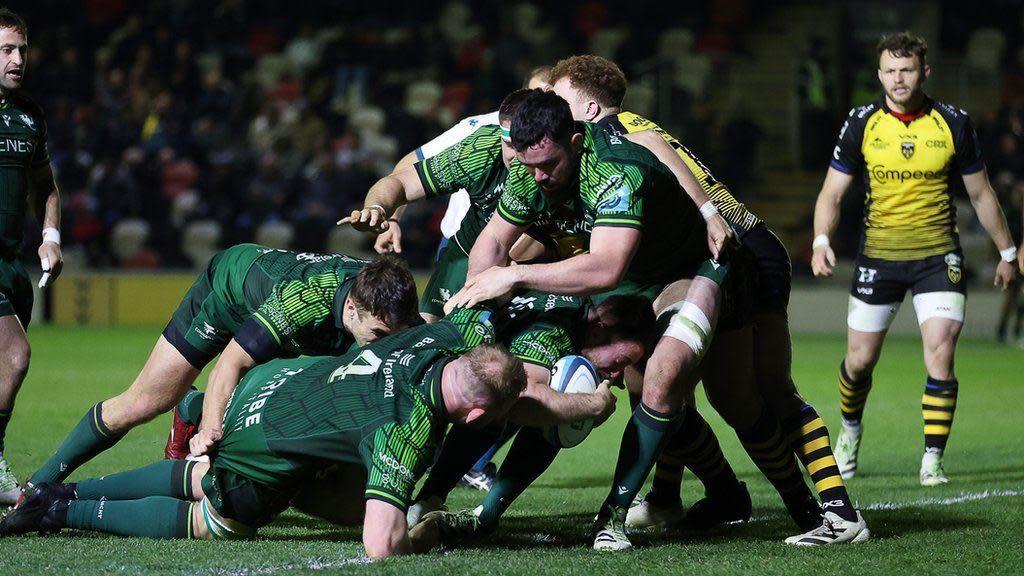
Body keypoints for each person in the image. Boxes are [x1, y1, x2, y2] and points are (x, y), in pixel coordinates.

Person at [547, 55, 866, 545]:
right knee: (662, 385)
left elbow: (668, 168)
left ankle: (837, 511)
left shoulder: (621, 136)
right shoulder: (593, 144)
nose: (550, 108)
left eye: (558, 97)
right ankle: (672, 496)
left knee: (759, 393)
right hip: (696, 255)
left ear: (588, 108)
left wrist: (709, 212)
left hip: (741, 246)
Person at [443, 90, 743, 551]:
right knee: (560, 382)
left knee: (663, 381)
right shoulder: (532, 170)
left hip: (687, 269)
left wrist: (515, 277)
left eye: (549, 164)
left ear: (578, 140)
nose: (539, 176)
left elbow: (605, 268)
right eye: (529, 166)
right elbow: (492, 243)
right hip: (627, 277)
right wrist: (479, 294)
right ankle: (725, 494)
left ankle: (614, 518)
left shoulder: (614, 170)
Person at [1, 309, 525, 560]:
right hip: (267, 437)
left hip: (267, 382)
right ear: (478, 417)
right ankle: (59, 510)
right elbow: (380, 547)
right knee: (223, 519)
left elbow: (481, 328)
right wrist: (425, 534)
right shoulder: (404, 428)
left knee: (203, 473)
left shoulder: (441, 336)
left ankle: (57, 489)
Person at [26, 245, 419, 489]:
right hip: (227, 295)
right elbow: (230, 363)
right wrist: (210, 430)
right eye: (380, 334)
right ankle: (40, 483)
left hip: (278, 324)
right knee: (146, 402)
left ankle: (196, 411)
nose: (387, 344)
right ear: (351, 308)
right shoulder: (303, 302)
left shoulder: (388, 307)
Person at [811, 32, 1017, 487]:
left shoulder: (953, 122)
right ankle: (849, 430)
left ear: (925, 72)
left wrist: (1007, 251)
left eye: (907, 70)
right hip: (878, 257)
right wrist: (821, 239)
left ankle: (932, 459)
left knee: (940, 355)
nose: (898, 79)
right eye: (890, 70)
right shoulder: (861, 123)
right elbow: (832, 191)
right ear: (879, 74)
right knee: (859, 362)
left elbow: (981, 195)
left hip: (938, 258)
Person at [404, 293, 657, 526]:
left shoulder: (576, 317)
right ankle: (426, 499)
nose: (617, 376)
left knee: (551, 407)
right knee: (524, 406)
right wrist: (595, 405)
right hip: (411, 386)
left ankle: (453, 505)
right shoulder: (555, 327)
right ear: (598, 333)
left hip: (444, 378)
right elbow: (525, 400)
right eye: (621, 362)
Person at [0, 9, 63, 504]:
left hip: (11, 264)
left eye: (21, 49)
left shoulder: (30, 116)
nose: (17, 59)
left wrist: (50, 236)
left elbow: (45, 186)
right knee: (15, 357)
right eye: (6, 50)